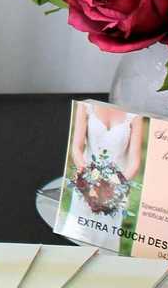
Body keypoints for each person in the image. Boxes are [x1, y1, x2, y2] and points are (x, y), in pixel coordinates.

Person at [60, 102, 145, 251]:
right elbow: (76, 148)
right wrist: (90, 180)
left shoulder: (135, 116)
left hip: (114, 192)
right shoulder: (86, 105)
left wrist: (111, 186)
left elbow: (135, 163)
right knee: (75, 240)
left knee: (105, 247)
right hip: (85, 186)